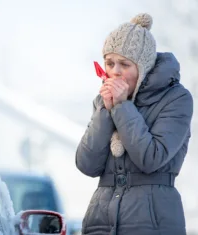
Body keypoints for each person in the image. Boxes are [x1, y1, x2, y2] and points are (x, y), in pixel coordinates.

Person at [75, 13, 193, 235]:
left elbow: (151, 158)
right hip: (100, 222)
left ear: (143, 67)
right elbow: (87, 164)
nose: (115, 71)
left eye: (124, 64)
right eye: (109, 63)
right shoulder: (102, 101)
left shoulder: (176, 99)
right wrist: (105, 111)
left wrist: (121, 108)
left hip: (152, 223)